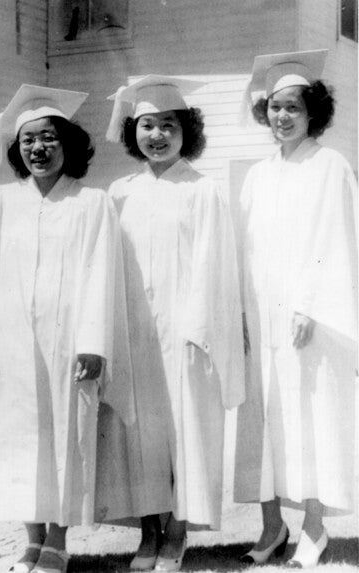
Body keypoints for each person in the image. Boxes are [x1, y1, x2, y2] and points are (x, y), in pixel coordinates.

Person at [0, 84, 134, 573]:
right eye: (28, 141)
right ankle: (31, 540)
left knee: (64, 436)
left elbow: (103, 274)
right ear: (18, 149)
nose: (38, 148)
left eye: (49, 138)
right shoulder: (0, 200)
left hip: (68, 343)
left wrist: (94, 343)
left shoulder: (92, 202)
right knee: (18, 441)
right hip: (12, 345)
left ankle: (58, 540)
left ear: (70, 143)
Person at [104, 75, 245, 572]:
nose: (157, 135)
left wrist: (197, 330)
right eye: (147, 125)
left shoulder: (204, 191)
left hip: (187, 336)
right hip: (134, 334)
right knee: (139, 434)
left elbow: (216, 268)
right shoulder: (119, 193)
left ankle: (178, 533)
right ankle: (148, 531)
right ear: (133, 132)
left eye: (168, 125)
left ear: (187, 131)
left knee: (186, 433)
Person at [234, 50, 357, 568]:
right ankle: (270, 527)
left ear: (313, 113)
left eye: (293, 108)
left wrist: (309, 305)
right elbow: (243, 249)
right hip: (261, 315)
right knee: (263, 419)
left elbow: (337, 238)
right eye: (275, 107)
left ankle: (313, 527)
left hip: (309, 318)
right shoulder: (257, 175)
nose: (282, 117)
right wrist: (239, 312)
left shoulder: (331, 166)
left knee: (309, 418)